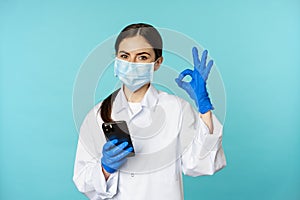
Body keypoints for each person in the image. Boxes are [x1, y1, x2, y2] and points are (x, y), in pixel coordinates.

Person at [73, 23, 226, 200]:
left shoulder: (177, 108)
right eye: (125, 56)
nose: (132, 64)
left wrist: (204, 107)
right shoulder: (97, 114)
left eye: (142, 57)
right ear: (116, 59)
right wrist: (104, 169)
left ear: (157, 63)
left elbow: (200, 164)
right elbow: (82, 180)